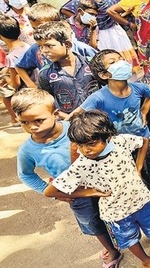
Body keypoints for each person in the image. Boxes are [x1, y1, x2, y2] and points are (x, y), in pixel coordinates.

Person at [44, 110, 150, 268]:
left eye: (91, 143)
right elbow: (50, 191)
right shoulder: (82, 165)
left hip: (141, 199)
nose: (86, 149)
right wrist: (90, 192)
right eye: (80, 145)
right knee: (130, 238)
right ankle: (146, 261)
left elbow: (143, 142)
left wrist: (139, 167)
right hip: (117, 213)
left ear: (106, 136)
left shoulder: (120, 141)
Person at [11, 88, 121, 267]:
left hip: (103, 182)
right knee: (92, 222)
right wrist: (52, 192)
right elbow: (26, 174)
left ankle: (127, 240)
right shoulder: (27, 150)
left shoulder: (75, 128)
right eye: (24, 122)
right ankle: (111, 249)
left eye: (39, 120)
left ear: (55, 114)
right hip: (75, 193)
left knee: (117, 212)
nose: (32, 127)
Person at [68, 49, 150, 229]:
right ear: (103, 74)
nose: (121, 63)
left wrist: (145, 109)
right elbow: (77, 115)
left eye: (120, 59)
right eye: (113, 62)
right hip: (119, 149)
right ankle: (144, 212)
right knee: (133, 180)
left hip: (144, 141)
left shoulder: (138, 88)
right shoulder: (99, 97)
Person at [60, 0, 140, 75]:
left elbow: (126, 6)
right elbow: (64, 9)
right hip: (98, 33)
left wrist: (121, 17)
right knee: (105, 61)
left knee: (123, 60)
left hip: (114, 31)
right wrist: (83, 19)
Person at [14, 2, 97, 89]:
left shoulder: (79, 47)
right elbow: (19, 66)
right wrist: (31, 85)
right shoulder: (36, 48)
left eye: (45, 27)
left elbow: (100, 63)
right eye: (35, 28)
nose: (39, 31)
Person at [35, 21, 99, 119]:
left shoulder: (92, 64)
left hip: (101, 117)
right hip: (71, 123)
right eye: (40, 47)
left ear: (67, 45)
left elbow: (108, 88)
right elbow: (47, 103)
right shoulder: (45, 74)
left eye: (49, 45)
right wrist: (69, 118)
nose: (44, 51)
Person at [0, 14, 29, 94]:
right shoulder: (26, 45)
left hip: (27, 91)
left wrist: (5, 77)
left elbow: (16, 84)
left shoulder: (11, 57)